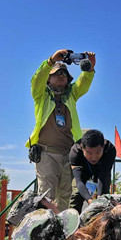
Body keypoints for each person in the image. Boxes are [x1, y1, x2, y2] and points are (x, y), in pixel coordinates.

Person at [27, 49, 96, 212]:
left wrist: (90, 68)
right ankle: (45, 230)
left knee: (66, 194)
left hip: (68, 153)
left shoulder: (71, 95)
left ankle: (64, 231)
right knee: (46, 195)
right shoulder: (41, 95)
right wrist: (51, 61)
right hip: (46, 153)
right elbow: (36, 81)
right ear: (48, 78)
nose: (61, 76)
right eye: (56, 73)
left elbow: (82, 85)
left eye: (64, 74)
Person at [69, 129, 116, 212]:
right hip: (83, 170)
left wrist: (100, 198)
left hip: (101, 170)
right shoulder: (75, 152)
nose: (94, 157)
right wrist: (90, 201)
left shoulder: (110, 150)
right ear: (82, 147)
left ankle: (104, 220)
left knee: (104, 198)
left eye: (98, 152)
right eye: (89, 153)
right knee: (76, 196)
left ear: (103, 147)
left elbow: (103, 176)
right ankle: (73, 221)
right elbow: (79, 181)